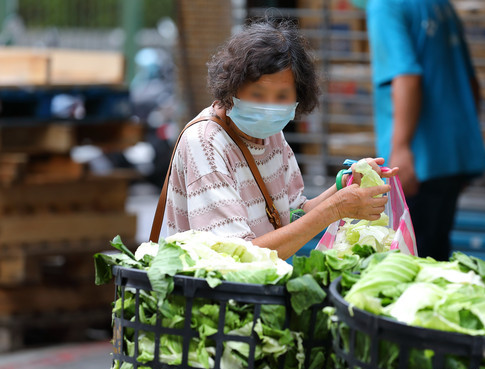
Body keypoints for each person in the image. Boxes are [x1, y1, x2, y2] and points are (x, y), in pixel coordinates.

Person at [165, 19, 398, 260]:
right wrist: (336, 208)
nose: (269, 107)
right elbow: (234, 259)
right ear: (232, 87)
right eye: (257, 94)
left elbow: (293, 214)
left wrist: (347, 185)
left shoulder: (271, 135)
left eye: (282, 96)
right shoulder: (205, 143)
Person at [354, 0, 485, 260]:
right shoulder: (439, 4)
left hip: (418, 161)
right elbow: (471, 82)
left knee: (408, 263)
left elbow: (407, 76)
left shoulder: (385, 6)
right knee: (435, 256)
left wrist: (401, 149)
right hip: (451, 157)